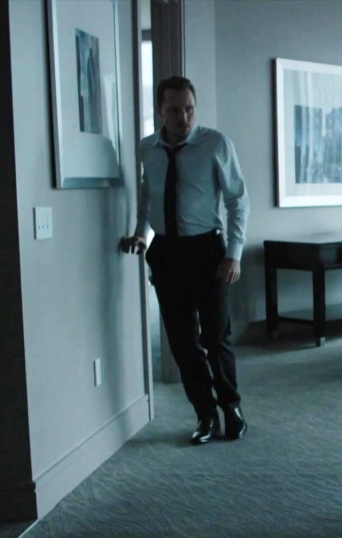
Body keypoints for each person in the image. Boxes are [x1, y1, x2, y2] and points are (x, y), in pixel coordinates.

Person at [122, 76, 250, 445]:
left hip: (207, 251)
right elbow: (149, 195)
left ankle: (232, 409)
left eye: (190, 109)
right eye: (175, 110)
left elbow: (238, 200)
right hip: (166, 252)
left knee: (216, 336)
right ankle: (205, 414)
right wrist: (141, 233)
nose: (184, 117)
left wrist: (234, 254)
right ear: (160, 110)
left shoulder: (215, 144)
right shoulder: (148, 148)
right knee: (181, 341)